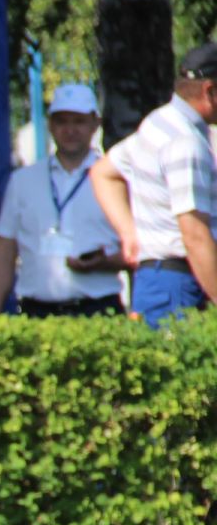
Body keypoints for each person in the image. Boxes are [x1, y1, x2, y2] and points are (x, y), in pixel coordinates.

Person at [90, 43, 217, 326]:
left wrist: (130, 234)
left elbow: (103, 173)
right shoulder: (186, 142)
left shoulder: (158, 122)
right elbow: (195, 235)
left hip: (158, 279)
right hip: (181, 283)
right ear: (209, 91)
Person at [0, 84, 125, 318]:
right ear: (50, 125)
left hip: (98, 308)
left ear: (95, 124)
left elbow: (141, 248)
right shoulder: (23, 181)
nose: (70, 130)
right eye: (62, 121)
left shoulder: (116, 178)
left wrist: (104, 263)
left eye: (78, 121)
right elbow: (4, 250)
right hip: (36, 311)